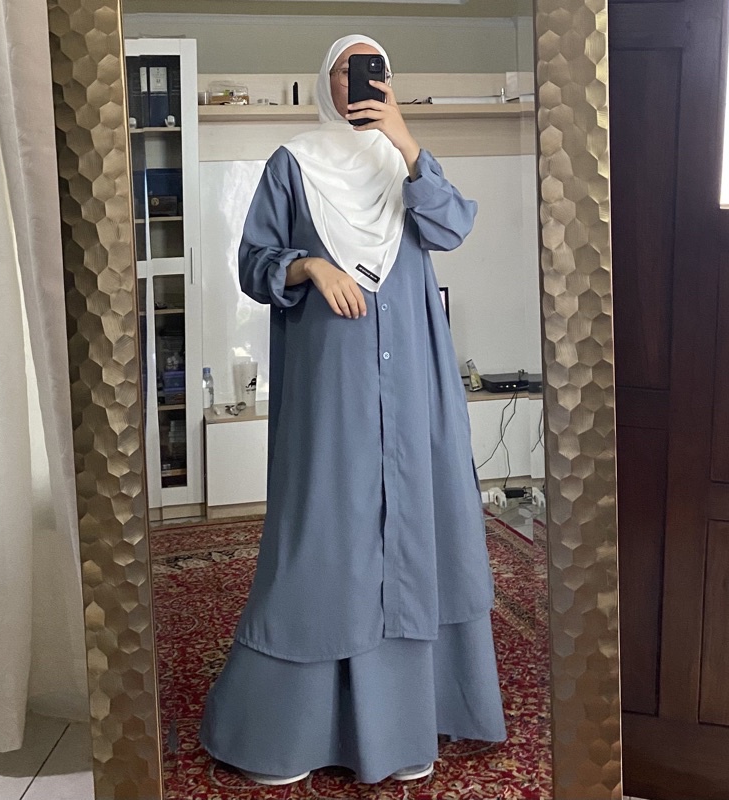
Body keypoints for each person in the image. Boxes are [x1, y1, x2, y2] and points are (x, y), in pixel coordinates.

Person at [199, 34, 506, 786]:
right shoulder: (293, 163)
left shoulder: (405, 163)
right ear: (325, 81)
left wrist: (405, 141)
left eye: (376, 69)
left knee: (418, 528)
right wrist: (309, 264)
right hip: (330, 379)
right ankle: (287, 732)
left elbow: (452, 227)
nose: (363, 81)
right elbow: (252, 264)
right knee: (325, 532)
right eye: (349, 68)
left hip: (414, 381)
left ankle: (410, 724)